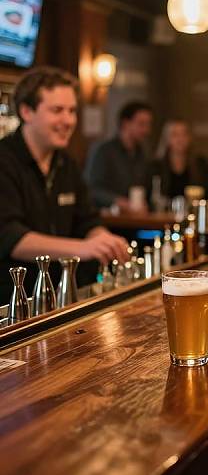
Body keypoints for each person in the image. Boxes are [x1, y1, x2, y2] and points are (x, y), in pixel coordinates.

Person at [0, 66, 129, 305]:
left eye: (72, 111)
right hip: (14, 303)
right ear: (27, 111)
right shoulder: (4, 160)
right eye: (57, 110)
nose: (68, 120)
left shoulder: (65, 163)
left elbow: (87, 220)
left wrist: (103, 239)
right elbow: (11, 238)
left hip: (62, 297)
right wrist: (83, 248)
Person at [84, 101, 152, 212]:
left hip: (135, 221)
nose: (146, 130)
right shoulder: (104, 150)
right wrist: (119, 202)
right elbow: (91, 189)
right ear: (125, 123)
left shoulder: (142, 154)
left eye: (148, 125)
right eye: (141, 124)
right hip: (108, 220)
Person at [149, 119, 208, 205]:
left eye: (184, 134)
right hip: (164, 214)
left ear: (190, 138)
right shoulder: (156, 166)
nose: (180, 139)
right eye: (175, 135)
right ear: (167, 139)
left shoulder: (200, 164)